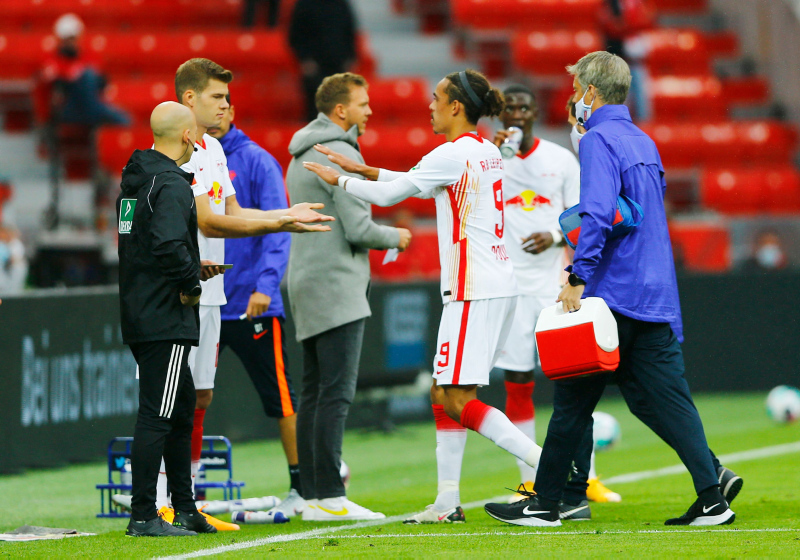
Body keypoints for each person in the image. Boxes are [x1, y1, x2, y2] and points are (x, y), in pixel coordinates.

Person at [483, 51, 737, 527]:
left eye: (577, 88)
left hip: (613, 291)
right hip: (654, 290)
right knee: (670, 402)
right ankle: (712, 498)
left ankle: (546, 503)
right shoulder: (643, 139)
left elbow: (599, 212)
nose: (574, 96)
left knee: (572, 401)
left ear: (591, 92)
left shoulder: (598, 140)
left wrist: (577, 276)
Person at [304, 69, 544, 525]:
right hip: (494, 284)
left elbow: (391, 194)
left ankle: (549, 470)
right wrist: (362, 169)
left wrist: (339, 181)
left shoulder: (452, 154)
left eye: (436, 98)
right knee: (443, 391)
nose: (430, 105)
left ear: (456, 106)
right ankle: (447, 501)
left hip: (474, 289)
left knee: (456, 399)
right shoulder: (484, 150)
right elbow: (415, 179)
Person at [152, 58, 333, 529]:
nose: (225, 105)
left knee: (201, 396)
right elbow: (209, 222)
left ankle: (186, 499)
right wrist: (281, 221)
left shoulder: (212, 148)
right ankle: (160, 500)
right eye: (217, 96)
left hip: (211, 292)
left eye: (227, 97)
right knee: (170, 397)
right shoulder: (177, 153)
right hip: (177, 293)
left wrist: (284, 214)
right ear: (189, 98)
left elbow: (232, 210)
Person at [286, 72, 412, 521]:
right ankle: (330, 496)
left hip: (305, 279)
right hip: (336, 282)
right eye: (362, 103)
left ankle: (312, 495)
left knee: (314, 392)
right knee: (335, 393)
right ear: (341, 111)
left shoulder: (299, 150)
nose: (369, 110)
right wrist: (397, 236)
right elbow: (358, 229)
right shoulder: (339, 152)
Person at [492, 84, 621, 517]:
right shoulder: (490, 159)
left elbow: (586, 213)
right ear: (501, 114)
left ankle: (588, 477)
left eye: (524, 106)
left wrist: (553, 235)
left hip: (554, 286)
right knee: (518, 381)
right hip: (510, 287)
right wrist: (492, 155)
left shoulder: (559, 160)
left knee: (575, 381)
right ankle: (529, 480)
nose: (516, 113)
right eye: (509, 107)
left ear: (533, 113)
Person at [117, 101, 217, 537]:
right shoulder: (173, 184)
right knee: (158, 414)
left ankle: (185, 508)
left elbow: (136, 244)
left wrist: (189, 265)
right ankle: (143, 514)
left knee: (179, 409)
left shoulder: (134, 182)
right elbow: (168, 244)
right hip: (165, 314)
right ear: (187, 136)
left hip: (139, 309)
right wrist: (191, 283)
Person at [207, 99, 305, 518]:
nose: (218, 110)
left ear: (232, 112)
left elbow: (278, 228)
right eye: (212, 100)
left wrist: (266, 286)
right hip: (206, 303)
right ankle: (174, 488)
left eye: (224, 102)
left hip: (251, 304)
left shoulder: (257, 161)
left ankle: (303, 486)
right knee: (190, 397)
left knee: (280, 398)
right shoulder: (191, 160)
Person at [288, 0, 357, 121]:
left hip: (338, 64)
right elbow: (295, 35)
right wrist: (305, 59)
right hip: (314, 67)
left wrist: (350, 57)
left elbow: (349, 32)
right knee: (315, 110)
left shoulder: (340, 4)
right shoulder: (304, 4)